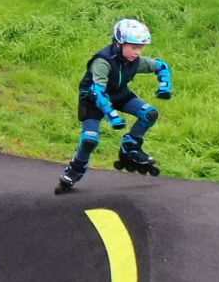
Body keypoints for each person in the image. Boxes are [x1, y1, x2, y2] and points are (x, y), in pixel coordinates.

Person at [56, 18, 172, 193]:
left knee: (150, 114)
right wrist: (112, 116)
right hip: (93, 100)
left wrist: (165, 86)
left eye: (140, 48)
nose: (138, 52)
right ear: (119, 43)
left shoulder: (135, 61)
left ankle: (130, 146)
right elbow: (98, 92)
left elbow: (162, 66)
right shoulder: (102, 62)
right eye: (133, 47)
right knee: (89, 140)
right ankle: (74, 170)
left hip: (118, 95)